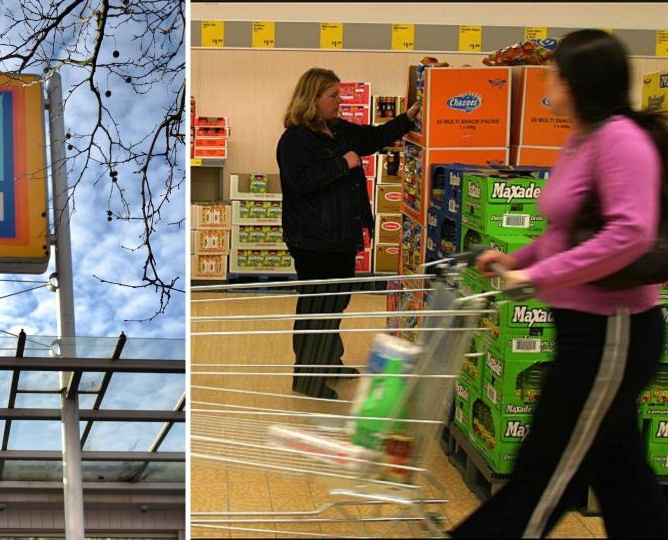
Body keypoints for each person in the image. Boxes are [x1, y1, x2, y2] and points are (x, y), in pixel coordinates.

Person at [451, 29, 668, 538]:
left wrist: (536, 274)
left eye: (555, 72)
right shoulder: (582, 137)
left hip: (613, 330)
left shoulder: (620, 139)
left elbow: (629, 233)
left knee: (545, 472)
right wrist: (517, 258)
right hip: (582, 328)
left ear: (578, 81)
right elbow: (564, 230)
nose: (548, 80)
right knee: (623, 477)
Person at [276, 68, 420, 399]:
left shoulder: (337, 130)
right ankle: (307, 378)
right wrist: (344, 164)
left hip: (340, 235)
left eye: (339, 95)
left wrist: (406, 119)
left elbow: (371, 138)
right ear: (312, 99)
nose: (339, 101)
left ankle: (328, 360)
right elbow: (300, 182)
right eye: (333, 96)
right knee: (318, 307)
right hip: (314, 239)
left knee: (337, 301)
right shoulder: (295, 139)